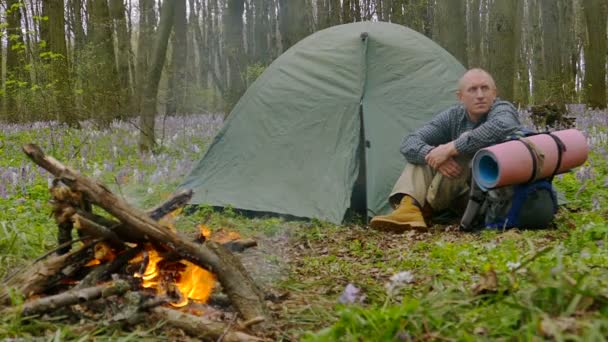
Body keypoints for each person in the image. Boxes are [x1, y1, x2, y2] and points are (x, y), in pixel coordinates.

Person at [369, 68, 522, 233]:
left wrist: (451, 148)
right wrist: (433, 155)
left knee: (465, 151)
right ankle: (409, 208)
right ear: (460, 97)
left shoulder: (502, 110)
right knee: (423, 155)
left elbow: (502, 126)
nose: (480, 95)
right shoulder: (453, 116)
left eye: (485, 88)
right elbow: (409, 143)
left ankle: (423, 210)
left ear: (494, 93)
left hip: (490, 198)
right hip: (457, 196)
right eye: (472, 89)